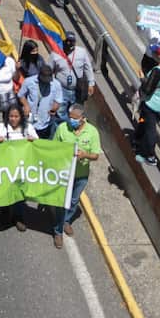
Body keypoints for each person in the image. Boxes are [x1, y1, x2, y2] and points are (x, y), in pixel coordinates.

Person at [51, 104, 100, 249]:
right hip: (65, 174)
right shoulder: (62, 128)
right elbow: (53, 148)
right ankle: (58, 231)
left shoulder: (92, 132)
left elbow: (96, 155)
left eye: (74, 119)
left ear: (83, 119)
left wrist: (85, 155)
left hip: (81, 174)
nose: (71, 121)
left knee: (73, 200)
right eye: (70, 117)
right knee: (62, 202)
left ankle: (66, 221)